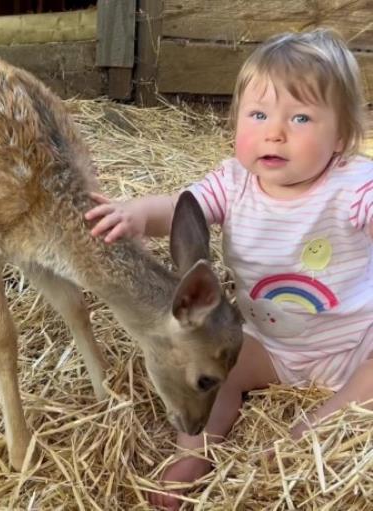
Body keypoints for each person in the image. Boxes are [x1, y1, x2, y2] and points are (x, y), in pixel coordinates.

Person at [85, 28, 373, 509]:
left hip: (353, 340)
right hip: (270, 343)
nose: (274, 132)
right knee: (217, 375)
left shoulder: (353, 184)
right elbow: (184, 207)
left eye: (300, 117)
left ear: (341, 136)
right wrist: (137, 214)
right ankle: (195, 451)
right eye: (258, 115)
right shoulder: (235, 182)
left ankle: (314, 427)